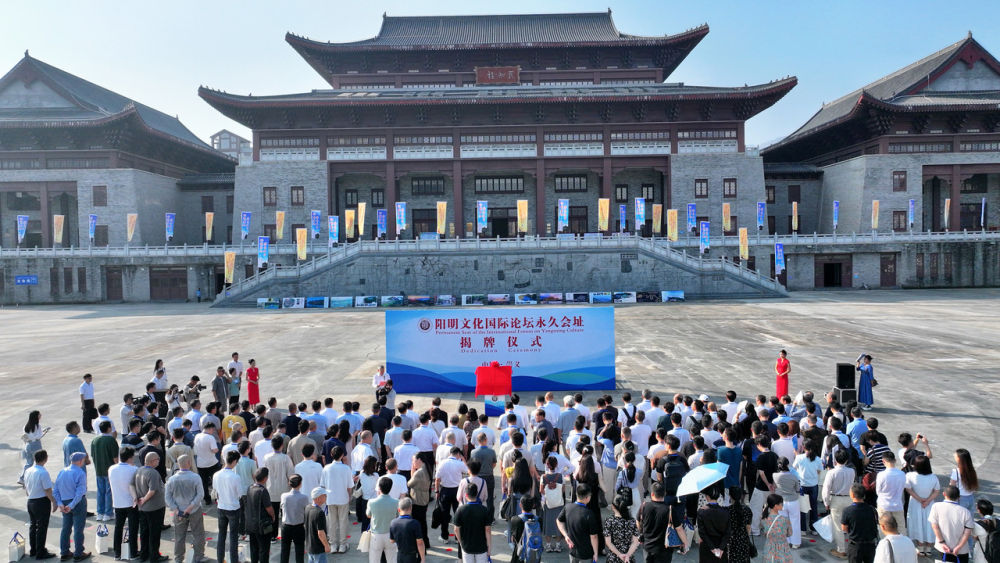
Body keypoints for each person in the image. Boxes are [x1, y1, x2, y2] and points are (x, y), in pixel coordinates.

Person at [164, 455, 205, 563]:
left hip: (179, 512)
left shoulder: (172, 479)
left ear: (178, 464)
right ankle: (198, 557)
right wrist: (191, 506)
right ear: (189, 463)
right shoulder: (195, 477)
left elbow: (167, 497)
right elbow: (200, 494)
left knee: (179, 536)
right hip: (194, 510)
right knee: (198, 534)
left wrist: (176, 509)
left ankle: (178, 558)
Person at [319, 446, 354, 554]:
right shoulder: (346, 468)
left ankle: (333, 544)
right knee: (343, 521)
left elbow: (322, 485)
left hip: (330, 498)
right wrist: (349, 496)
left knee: (331, 522)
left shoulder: (326, 468)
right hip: (343, 498)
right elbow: (349, 487)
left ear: (331, 454)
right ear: (342, 455)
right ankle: (342, 544)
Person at [55, 452, 90, 562]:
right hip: (77, 504)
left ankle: (64, 553)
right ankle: (78, 553)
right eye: (83, 460)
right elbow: (80, 493)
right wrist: (71, 505)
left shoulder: (62, 472)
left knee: (66, 528)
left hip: (64, 502)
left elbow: (56, 490)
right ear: (80, 461)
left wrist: (60, 504)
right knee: (78, 529)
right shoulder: (80, 473)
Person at [24, 449, 57, 560]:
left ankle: (34, 549)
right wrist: (54, 501)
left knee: (33, 526)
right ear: (45, 459)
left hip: (30, 501)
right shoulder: (43, 472)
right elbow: (47, 490)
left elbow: (26, 488)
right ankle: (40, 552)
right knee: (42, 528)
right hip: (41, 502)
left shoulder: (28, 470)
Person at [134, 451, 167, 563]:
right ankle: (154, 556)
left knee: (144, 532)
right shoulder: (153, 473)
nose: (159, 461)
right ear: (152, 461)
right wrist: (145, 499)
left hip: (143, 508)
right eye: (158, 459)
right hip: (154, 507)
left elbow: (132, 485)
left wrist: (138, 499)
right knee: (154, 533)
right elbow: (152, 490)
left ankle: (144, 555)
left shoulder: (139, 470)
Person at [929, 485, 975, 563]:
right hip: (961, 551)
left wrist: (942, 542)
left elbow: (935, 526)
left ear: (944, 494)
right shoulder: (965, 512)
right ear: (959, 497)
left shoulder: (936, 506)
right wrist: (958, 547)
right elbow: (967, 533)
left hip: (942, 549)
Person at [824, 448, 857, 558]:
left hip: (836, 499)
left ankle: (842, 549)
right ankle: (852, 547)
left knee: (838, 526)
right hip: (849, 498)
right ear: (847, 460)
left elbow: (826, 489)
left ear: (835, 460)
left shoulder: (831, 472)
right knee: (850, 524)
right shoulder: (851, 471)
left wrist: (826, 502)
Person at [904, 455, 939, 555]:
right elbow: (936, 491)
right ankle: (928, 548)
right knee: (929, 524)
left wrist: (920, 499)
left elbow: (908, 489)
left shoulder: (910, 475)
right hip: (929, 504)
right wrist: (927, 501)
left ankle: (920, 547)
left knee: (917, 523)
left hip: (915, 503)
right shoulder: (933, 477)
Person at [453, 482, 493, 563]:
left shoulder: (460, 510)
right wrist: (489, 546)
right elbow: (487, 530)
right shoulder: (484, 510)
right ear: (477, 494)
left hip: (466, 547)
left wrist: (461, 542)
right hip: (481, 547)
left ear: (466, 495)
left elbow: (456, 529)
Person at [841, 484, 880, 563]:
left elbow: (844, 528)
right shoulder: (872, 509)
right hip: (870, 544)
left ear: (852, 495)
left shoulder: (847, 510)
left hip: (855, 545)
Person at [90, 420, 118, 523]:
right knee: (109, 492)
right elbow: (115, 458)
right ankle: (108, 513)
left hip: (98, 470)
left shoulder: (94, 440)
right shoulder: (111, 440)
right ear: (109, 428)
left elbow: (92, 455)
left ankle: (100, 513)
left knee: (100, 492)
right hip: (109, 470)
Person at [246, 467, 276, 563]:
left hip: (251, 524)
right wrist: (273, 516)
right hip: (263, 525)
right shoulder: (263, 491)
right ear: (265, 478)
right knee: (264, 550)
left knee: (254, 549)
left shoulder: (250, 488)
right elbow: (269, 508)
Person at [367, 477, 400, 563]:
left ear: (379, 488)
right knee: (392, 560)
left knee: (374, 560)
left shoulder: (371, 502)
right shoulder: (396, 502)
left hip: (376, 535)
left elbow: (368, 515)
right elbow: (397, 516)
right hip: (391, 535)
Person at [793, 441, 823, 534]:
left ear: (803, 447)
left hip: (802, 485)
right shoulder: (818, 459)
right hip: (813, 485)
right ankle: (814, 529)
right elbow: (819, 471)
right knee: (814, 507)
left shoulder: (799, 457)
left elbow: (794, 469)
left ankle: (803, 529)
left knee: (803, 508)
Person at [875, 451, 906, 537]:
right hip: (897, 504)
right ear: (895, 460)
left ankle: (886, 543)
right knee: (901, 528)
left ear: (883, 461)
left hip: (884, 505)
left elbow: (878, 491)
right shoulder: (902, 474)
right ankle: (902, 543)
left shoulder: (881, 475)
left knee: (884, 528)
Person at [772, 457, 801, 548]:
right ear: (787, 464)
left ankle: (786, 541)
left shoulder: (775, 475)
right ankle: (795, 543)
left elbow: (774, 486)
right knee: (795, 522)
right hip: (793, 501)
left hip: (781, 502)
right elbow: (797, 489)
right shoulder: (794, 477)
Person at [698, 486, 732, 563]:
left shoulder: (702, 512)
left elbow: (702, 533)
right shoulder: (725, 511)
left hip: (707, 546)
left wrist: (712, 548)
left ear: (707, 497)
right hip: (721, 545)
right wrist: (721, 548)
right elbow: (728, 532)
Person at [280, 474, 309, 563]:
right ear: (300, 484)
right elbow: (306, 511)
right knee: (299, 551)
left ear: (289, 483)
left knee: (284, 551)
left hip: (286, 526)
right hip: (299, 526)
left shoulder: (284, 496)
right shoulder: (304, 497)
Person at [390, 497, 426, 563]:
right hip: (412, 556)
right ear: (411, 508)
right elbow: (420, 543)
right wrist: (423, 558)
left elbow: (392, 541)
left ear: (399, 510)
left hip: (400, 555)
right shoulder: (415, 523)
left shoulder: (393, 523)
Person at [407, 455, 432, 547]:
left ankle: (420, 543)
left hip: (418, 500)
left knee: (418, 523)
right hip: (424, 499)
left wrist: (412, 471)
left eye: (413, 460)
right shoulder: (427, 468)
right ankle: (426, 541)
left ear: (419, 460)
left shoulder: (419, 472)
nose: (412, 463)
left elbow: (409, 483)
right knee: (423, 522)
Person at [192, 422, 220, 504]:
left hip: (200, 463)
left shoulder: (197, 436)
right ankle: (217, 498)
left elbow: (195, 450)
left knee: (204, 483)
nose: (213, 431)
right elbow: (214, 450)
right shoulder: (210, 437)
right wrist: (217, 450)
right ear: (210, 429)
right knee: (215, 481)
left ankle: (207, 499)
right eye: (213, 430)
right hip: (211, 462)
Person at [762, 493, 793, 563]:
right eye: (781, 504)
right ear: (776, 506)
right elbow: (790, 534)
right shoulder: (785, 519)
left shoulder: (764, 518)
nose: (783, 505)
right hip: (783, 549)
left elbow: (765, 533)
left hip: (769, 548)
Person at [726, 488, 753, 563]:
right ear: (741, 496)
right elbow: (748, 527)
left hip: (732, 539)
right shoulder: (747, 509)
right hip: (744, 538)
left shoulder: (728, 510)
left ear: (730, 496)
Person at [949, 449, 979, 515]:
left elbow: (952, 487)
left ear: (959, 459)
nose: (954, 456)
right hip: (971, 498)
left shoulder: (956, 471)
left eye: (955, 456)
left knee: (959, 518)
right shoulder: (972, 470)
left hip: (960, 498)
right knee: (969, 518)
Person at [306, 487, 332, 563]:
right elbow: (320, 533)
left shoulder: (307, 508)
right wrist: (326, 545)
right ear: (318, 498)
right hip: (318, 548)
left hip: (310, 546)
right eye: (324, 495)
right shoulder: (319, 512)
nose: (326, 497)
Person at [20, 410, 46, 486]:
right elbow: (38, 436)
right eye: (39, 414)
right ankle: (38, 478)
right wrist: (44, 432)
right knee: (39, 462)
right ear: (36, 417)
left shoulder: (26, 426)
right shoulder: (37, 426)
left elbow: (26, 437)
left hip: (28, 445)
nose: (40, 415)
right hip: (36, 445)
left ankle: (22, 478)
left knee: (29, 463)